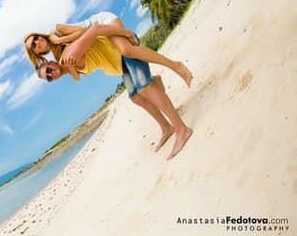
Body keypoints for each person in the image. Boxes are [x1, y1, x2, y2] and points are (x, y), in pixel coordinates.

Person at [36, 23, 193, 160]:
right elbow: (76, 74)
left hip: (120, 50)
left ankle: (182, 130)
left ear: (51, 62)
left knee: (146, 88)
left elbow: (94, 29)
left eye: (48, 70)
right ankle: (166, 127)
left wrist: (125, 33)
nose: (51, 74)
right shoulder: (68, 66)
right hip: (119, 64)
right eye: (48, 78)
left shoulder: (68, 56)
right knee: (136, 98)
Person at [24, 12, 193, 87]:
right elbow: (75, 75)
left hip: (102, 22)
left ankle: (176, 66)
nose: (37, 42)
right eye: (34, 46)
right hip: (99, 35)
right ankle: (156, 81)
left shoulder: (57, 30)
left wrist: (60, 39)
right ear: (37, 53)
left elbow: (84, 31)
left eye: (36, 38)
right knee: (127, 61)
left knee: (127, 50)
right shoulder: (58, 55)